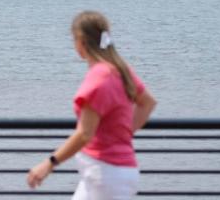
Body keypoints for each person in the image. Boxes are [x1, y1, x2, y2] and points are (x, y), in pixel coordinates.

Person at [26, 11, 157, 199]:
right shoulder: (120, 69)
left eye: (74, 40)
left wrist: (49, 163)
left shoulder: (98, 78)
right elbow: (147, 103)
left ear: (81, 41)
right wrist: (122, 133)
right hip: (114, 173)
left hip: (105, 174)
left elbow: (85, 133)